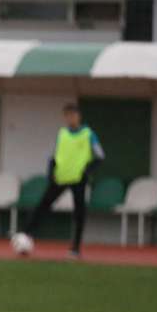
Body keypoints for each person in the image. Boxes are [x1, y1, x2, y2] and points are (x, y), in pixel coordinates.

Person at [13, 102, 104, 258]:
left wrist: (86, 172)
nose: (70, 118)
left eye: (73, 115)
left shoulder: (88, 134)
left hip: (78, 178)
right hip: (60, 177)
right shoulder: (62, 133)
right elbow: (56, 155)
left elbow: (100, 156)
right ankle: (26, 235)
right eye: (67, 115)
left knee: (79, 212)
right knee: (43, 205)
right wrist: (51, 172)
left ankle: (75, 248)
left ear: (78, 116)